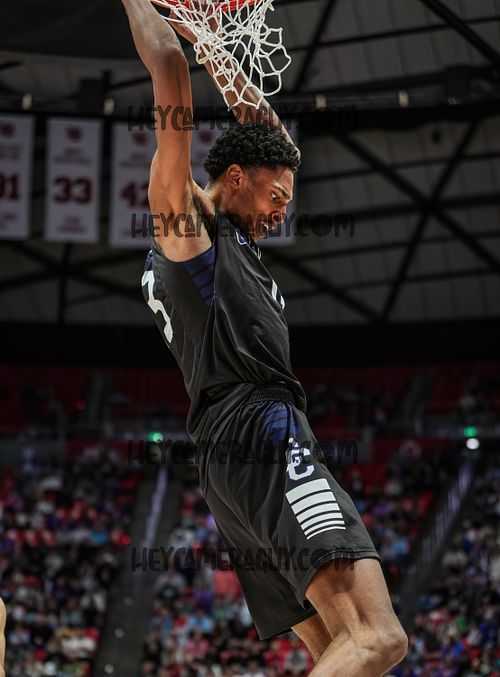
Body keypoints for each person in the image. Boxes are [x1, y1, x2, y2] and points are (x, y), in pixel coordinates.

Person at [122, 0, 408, 673]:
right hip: (262, 429)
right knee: (378, 638)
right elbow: (167, 67)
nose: (284, 211)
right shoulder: (187, 226)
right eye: (277, 196)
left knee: (340, 650)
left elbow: (272, 137)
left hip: (229, 456)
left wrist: (215, 45)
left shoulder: (232, 238)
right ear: (236, 179)